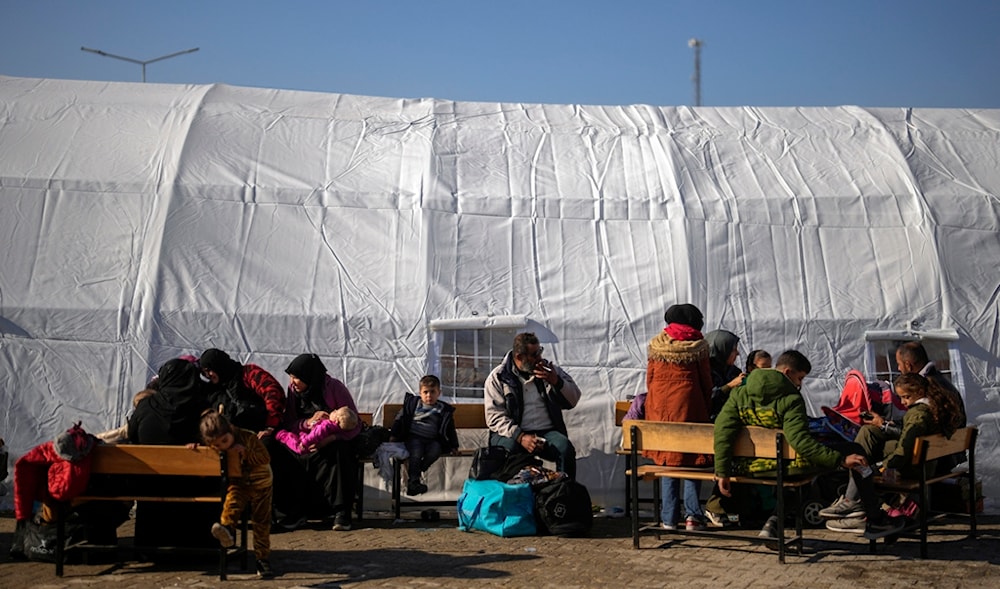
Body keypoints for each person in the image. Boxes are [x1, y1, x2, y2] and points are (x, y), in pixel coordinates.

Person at [713, 349, 868, 538]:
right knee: (854, 450)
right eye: (800, 378)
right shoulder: (791, 399)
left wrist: (722, 472)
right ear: (788, 373)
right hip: (782, 465)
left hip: (747, 466)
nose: (800, 384)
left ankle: (773, 524)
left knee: (801, 476)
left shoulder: (739, 393)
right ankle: (865, 512)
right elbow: (800, 442)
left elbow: (723, 432)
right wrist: (840, 460)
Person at [821, 373, 965, 536]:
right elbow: (908, 433)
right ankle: (854, 502)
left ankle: (855, 504)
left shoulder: (918, 415)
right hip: (924, 463)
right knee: (868, 432)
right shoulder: (932, 407)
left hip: (912, 467)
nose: (903, 402)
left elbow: (905, 447)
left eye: (906, 397)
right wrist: (883, 425)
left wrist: (883, 467)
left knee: (863, 458)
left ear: (919, 392)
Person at [264, 353, 362, 532]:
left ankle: (341, 513)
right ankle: (294, 512)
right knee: (278, 451)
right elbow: (289, 422)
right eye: (291, 377)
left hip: (330, 442)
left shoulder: (334, 388)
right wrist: (306, 423)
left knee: (339, 452)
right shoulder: (294, 391)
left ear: (310, 376)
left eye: (296, 377)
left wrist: (330, 438)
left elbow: (354, 424)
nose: (292, 381)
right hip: (302, 442)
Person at [644, 304, 714, 531]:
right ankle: (693, 516)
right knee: (690, 462)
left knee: (668, 462)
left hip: (660, 412)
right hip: (690, 410)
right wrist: (705, 405)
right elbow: (706, 382)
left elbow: (650, 380)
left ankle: (668, 519)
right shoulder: (698, 346)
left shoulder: (657, 345)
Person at [484, 332, 582, 479]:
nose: (539, 358)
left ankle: (564, 495)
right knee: (506, 451)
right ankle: (507, 496)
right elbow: (494, 417)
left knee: (564, 448)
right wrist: (521, 436)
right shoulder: (499, 377)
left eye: (540, 352)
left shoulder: (549, 371)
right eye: (534, 355)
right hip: (512, 433)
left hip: (546, 432)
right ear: (519, 357)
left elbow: (574, 398)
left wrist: (556, 382)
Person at [196, 410, 275, 579]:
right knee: (231, 503)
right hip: (239, 483)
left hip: (261, 483)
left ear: (230, 430)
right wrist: (198, 451)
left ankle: (262, 559)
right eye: (217, 445)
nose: (222, 446)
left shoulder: (248, 436)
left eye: (225, 441)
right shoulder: (216, 445)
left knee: (261, 522)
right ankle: (226, 529)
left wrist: (246, 453)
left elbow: (265, 458)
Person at [389, 374, 460, 496]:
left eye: (433, 392)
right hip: (414, 437)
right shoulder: (413, 404)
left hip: (432, 439)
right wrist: (393, 435)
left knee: (436, 450)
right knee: (416, 452)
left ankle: (419, 469)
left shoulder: (442, 409)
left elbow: (450, 429)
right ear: (420, 393)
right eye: (425, 392)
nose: (429, 395)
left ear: (439, 393)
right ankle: (413, 482)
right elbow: (400, 419)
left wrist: (454, 446)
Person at [199, 349, 286, 437]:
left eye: (209, 370)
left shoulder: (248, 373)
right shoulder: (212, 390)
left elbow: (273, 392)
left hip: (261, 432)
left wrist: (270, 425)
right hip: (230, 439)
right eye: (204, 372)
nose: (208, 375)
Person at [274, 406, 359, 455]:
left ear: (336, 421)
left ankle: (282, 435)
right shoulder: (336, 429)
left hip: (307, 442)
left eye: (335, 412)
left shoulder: (327, 425)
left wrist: (304, 443)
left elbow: (316, 434)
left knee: (296, 446)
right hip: (309, 437)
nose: (333, 410)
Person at [705, 330, 744, 422]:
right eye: (733, 350)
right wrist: (729, 386)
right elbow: (707, 398)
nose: (737, 353)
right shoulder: (705, 372)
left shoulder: (734, 371)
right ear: (722, 350)